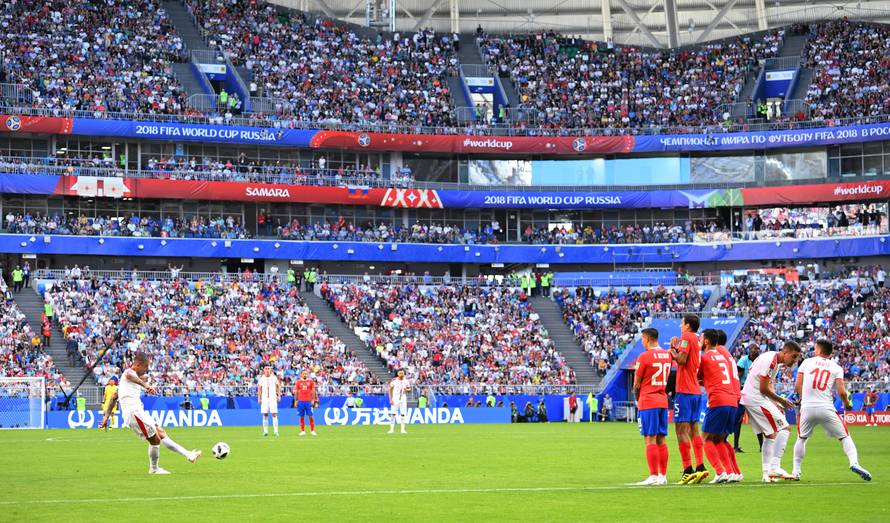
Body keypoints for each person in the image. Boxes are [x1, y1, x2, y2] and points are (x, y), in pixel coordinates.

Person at [99, 352, 201, 474]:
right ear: (138, 364)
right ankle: (154, 469)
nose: (147, 370)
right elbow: (131, 376)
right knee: (155, 440)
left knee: (161, 433)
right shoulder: (128, 373)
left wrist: (106, 416)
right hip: (134, 413)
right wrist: (146, 386)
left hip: (138, 412)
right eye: (145, 367)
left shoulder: (124, 383)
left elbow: (114, 397)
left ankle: (189, 454)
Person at [792, 339, 871, 481]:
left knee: (801, 438)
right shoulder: (836, 367)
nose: (813, 350)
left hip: (807, 408)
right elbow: (841, 392)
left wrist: (800, 398)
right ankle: (854, 462)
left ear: (819, 350)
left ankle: (796, 471)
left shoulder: (806, 362)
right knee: (844, 437)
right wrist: (847, 404)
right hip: (826, 407)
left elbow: (798, 386)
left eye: (815, 348)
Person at [739, 341, 801, 483]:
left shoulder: (774, 361)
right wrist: (782, 401)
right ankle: (775, 466)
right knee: (785, 427)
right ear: (785, 353)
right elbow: (763, 389)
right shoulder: (771, 361)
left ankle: (767, 474)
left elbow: (769, 385)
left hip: (752, 397)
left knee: (770, 434)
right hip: (755, 398)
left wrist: (776, 402)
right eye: (794, 356)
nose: (795, 361)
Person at [698, 329, 742, 483]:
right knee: (720, 439)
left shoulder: (705, 357)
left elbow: (695, 376)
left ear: (707, 341)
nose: (699, 341)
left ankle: (719, 471)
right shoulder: (723, 356)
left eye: (701, 338)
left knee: (705, 438)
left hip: (718, 400)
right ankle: (732, 472)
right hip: (732, 400)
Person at [668, 314, 707, 484]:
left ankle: (687, 469)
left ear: (688, 325)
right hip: (696, 391)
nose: (680, 325)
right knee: (693, 429)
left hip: (684, 390)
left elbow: (682, 360)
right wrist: (677, 349)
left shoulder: (686, 337)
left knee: (680, 430)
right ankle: (700, 466)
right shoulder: (696, 340)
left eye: (682, 323)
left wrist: (672, 352)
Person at [632, 327, 670, 485]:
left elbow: (636, 384)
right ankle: (663, 475)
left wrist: (637, 399)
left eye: (642, 339)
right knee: (661, 438)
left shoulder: (644, 356)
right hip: (662, 400)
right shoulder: (667, 355)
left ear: (647, 338)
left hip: (648, 400)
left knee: (649, 438)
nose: (642, 342)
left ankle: (653, 475)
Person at [733, 343, 761, 452]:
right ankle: (735, 446)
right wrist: (737, 391)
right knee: (738, 419)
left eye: (757, 348)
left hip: (754, 391)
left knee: (757, 419)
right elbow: (737, 377)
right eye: (754, 348)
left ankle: (762, 446)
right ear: (749, 350)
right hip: (743, 390)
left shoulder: (760, 361)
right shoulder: (743, 361)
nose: (756, 350)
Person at [258, 365, 280, 437]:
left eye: (268, 369)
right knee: (265, 414)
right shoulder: (262, 378)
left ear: (270, 370)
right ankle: (265, 431)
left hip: (273, 398)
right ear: (264, 370)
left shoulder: (274, 378)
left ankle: (276, 431)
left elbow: (278, 386)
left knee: (274, 414)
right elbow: (259, 388)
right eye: (266, 369)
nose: (267, 370)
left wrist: (278, 395)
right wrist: (259, 398)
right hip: (264, 398)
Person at [293, 370, 317, 436]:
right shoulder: (298, 382)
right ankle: (303, 431)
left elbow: (313, 391)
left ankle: (312, 430)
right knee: (301, 416)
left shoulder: (311, 382)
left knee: (310, 416)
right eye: (303, 374)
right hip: (301, 401)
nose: (305, 375)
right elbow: (296, 392)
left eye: (306, 374)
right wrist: (296, 400)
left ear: (307, 374)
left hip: (308, 401)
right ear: (301, 374)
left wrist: (313, 400)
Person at [388, 368, 410, 434]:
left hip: (403, 399)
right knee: (393, 414)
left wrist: (406, 389)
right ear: (397, 374)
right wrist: (391, 399)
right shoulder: (394, 381)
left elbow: (409, 389)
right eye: (400, 373)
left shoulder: (406, 381)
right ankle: (391, 429)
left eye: (402, 373)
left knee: (403, 414)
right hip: (395, 399)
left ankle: (402, 429)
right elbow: (390, 390)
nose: (401, 374)